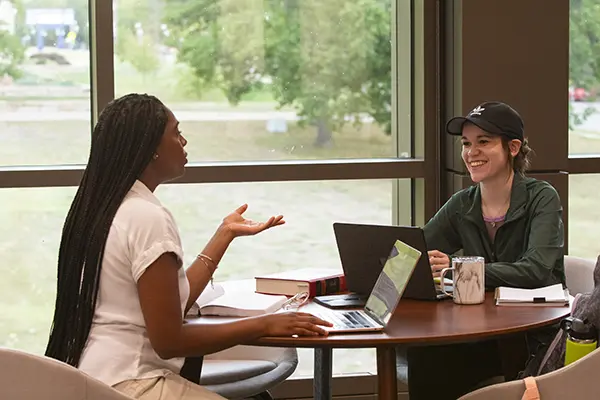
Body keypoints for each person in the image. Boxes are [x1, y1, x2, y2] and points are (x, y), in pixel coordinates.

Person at [44, 93, 332, 400]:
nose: (184, 141)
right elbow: (169, 339)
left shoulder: (105, 209)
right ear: (150, 147)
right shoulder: (147, 216)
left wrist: (224, 235)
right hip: (135, 384)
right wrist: (265, 324)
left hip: (95, 377)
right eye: (176, 133)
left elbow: (168, 304)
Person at [398, 101, 565, 400]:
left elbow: (536, 269)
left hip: (530, 334)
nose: (470, 152)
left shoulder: (542, 198)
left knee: (436, 362)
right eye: (466, 143)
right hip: (479, 331)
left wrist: (459, 268)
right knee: (426, 355)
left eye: (483, 142)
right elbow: (415, 251)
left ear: (513, 148)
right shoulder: (463, 203)